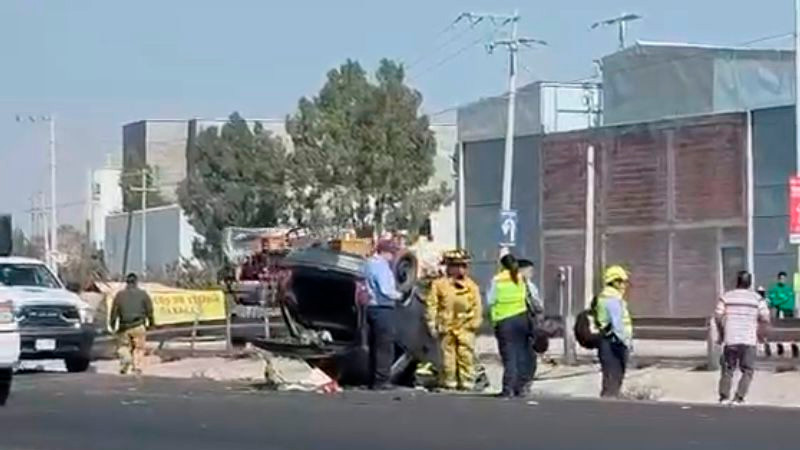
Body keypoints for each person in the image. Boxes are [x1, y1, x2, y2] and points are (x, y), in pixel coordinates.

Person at [426, 249, 482, 390]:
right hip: (446, 326)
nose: (461, 269)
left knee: (466, 356)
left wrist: (474, 323)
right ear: (449, 267)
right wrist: (432, 324)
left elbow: (477, 307)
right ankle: (449, 382)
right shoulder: (439, 285)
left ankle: (467, 383)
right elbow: (432, 305)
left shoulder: (472, 286)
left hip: (465, 327)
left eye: (464, 266)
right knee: (447, 357)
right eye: (457, 266)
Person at [715, 271, 770, 405]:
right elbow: (765, 318)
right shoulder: (757, 299)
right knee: (748, 370)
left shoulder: (727, 297)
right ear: (750, 283)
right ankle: (739, 397)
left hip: (731, 338)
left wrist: (721, 333)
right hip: (749, 339)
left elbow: (718, 315)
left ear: (737, 281)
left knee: (728, 369)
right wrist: (761, 336)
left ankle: (724, 396)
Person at [488, 254, 534, 398]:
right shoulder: (521, 278)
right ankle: (520, 388)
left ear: (502, 265)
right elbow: (531, 297)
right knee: (521, 354)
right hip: (522, 318)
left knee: (509, 356)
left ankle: (508, 389)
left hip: (504, 321)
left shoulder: (497, 280)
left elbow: (490, 300)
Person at [363, 239, 403, 390]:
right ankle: (382, 381)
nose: (393, 256)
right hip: (383, 308)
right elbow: (386, 290)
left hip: (370, 308)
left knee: (374, 345)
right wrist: (400, 296)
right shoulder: (381, 266)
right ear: (386, 252)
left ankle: (372, 379)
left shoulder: (368, 264)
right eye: (392, 253)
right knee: (385, 346)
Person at [595, 265, 633, 398]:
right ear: (615, 282)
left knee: (611, 377)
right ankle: (609, 406)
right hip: (614, 342)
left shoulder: (608, 297)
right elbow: (617, 324)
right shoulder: (612, 299)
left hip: (609, 341)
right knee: (613, 377)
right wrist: (626, 343)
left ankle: (609, 403)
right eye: (622, 281)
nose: (625, 285)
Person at [110, 273, 155, 375]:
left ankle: (126, 360)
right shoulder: (143, 294)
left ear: (127, 282)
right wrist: (151, 323)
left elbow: (114, 312)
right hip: (139, 325)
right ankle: (137, 367)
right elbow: (149, 310)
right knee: (139, 348)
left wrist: (112, 325)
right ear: (136, 282)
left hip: (124, 327)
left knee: (123, 347)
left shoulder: (119, 295)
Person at [518, 259, 545, 380]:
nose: (531, 273)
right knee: (525, 355)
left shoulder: (530, 285)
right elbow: (536, 305)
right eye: (529, 270)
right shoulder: (521, 286)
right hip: (523, 322)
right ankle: (523, 380)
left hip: (527, 323)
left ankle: (523, 379)